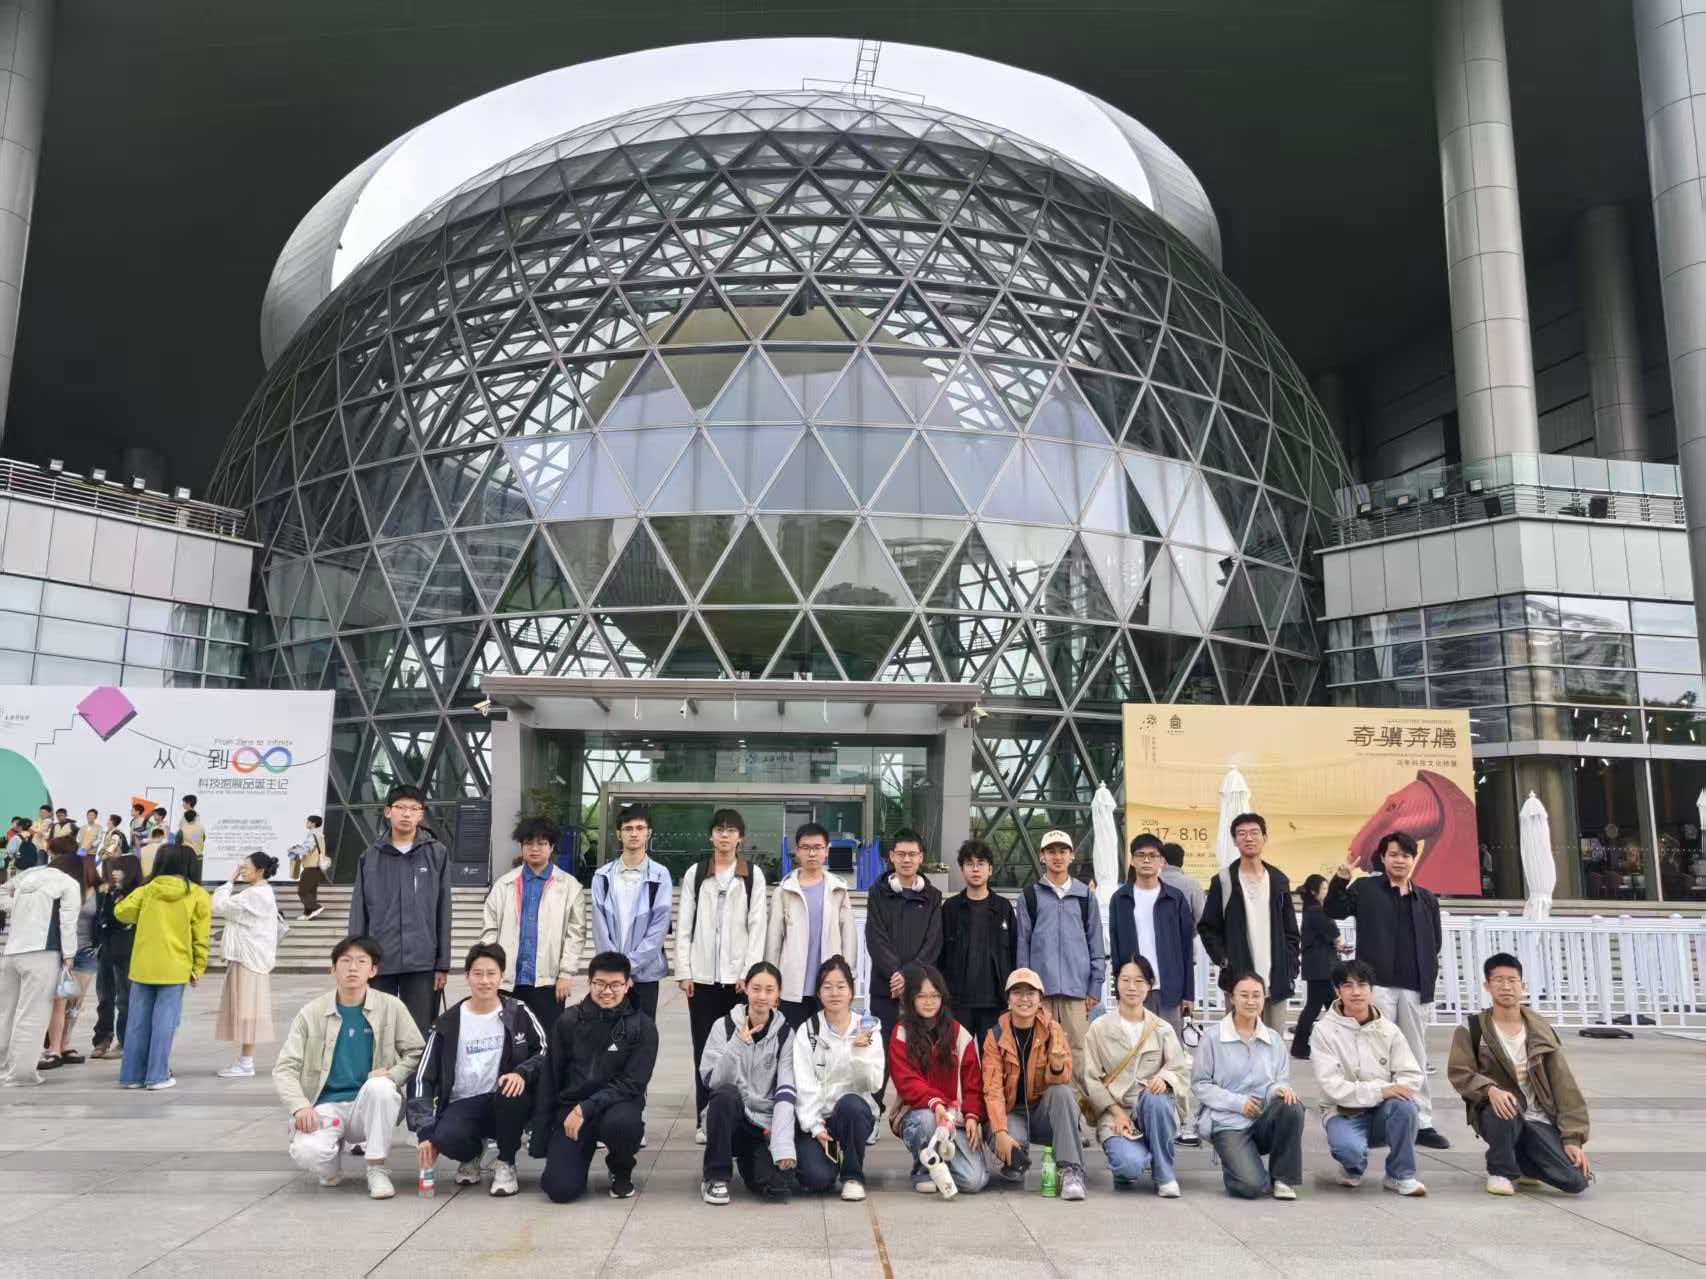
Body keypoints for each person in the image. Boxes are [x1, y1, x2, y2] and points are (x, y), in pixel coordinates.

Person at [274, 935, 425, 1199]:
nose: (353, 968)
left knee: (381, 1087)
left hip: (368, 1105)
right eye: (345, 961)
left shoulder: (391, 1007)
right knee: (307, 1152)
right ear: (333, 969)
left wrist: (393, 1074)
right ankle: (330, 1166)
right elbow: (285, 1067)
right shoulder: (311, 1013)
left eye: (361, 961)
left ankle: (376, 1168)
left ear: (373, 970)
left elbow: (417, 1051)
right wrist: (300, 1106)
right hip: (326, 1106)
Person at [1326, 829, 1449, 1149]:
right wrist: (1341, 879)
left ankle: (1421, 1121)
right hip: (1377, 986)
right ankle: (1373, 1118)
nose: (1400, 861)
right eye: (1393, 854)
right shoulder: (1366, 888)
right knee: (1374, 1054)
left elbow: (1435, 942)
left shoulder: (1426, 898)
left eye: (1406, 855)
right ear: (1382, 858)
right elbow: (1334, 909)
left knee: (1414, 1054)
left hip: (1414, 987)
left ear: (1413, 860)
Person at [408, 942, 545, 1198]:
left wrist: (521, 1073)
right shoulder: (447, 1022)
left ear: (501, 976)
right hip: (463, 1104)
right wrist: (424, 1130)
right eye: (478, 974)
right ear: (467, 976)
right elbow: (421, 1078)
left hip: (504, 1100)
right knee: (444, 1137)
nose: (485, 981)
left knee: (510, 1092)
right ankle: (472, 1154)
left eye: (491, 973)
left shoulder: (518, 1012)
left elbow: (544, 1051)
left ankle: (506, 1162)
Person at [1448, 952, 1592, 1196]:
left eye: (1512, 980)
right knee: (1506, 1106)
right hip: (1495, 1112)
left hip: (1537, 1117)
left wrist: (1573, 1139)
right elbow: (1460, 1072)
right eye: (1498, 980)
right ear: (1487, 986)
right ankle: (1501, 1171)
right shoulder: (1472, 1028)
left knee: (1575, 1180)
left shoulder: (1540, 1030)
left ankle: (1523, 1161)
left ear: (1522, 986)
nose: (1506, 986)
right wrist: (1489, 1090)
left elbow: (1564, 1085)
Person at [531, 949, 658, 1203]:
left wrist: (586, 1108)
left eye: (615, 984)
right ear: (589, 982)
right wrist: (541, 1135)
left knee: (624, 1124)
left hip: (617, 1106)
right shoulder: (568, 1021)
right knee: (560, 1190)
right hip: (572, 1108)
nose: (607, 991)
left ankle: (620, 1169)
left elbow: (632, 1084)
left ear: (628, 984)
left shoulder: (642, 1027)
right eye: (600, 983)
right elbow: (551, 1077)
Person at [677, 808, 768, 1141]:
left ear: (740, 837)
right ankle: (705, 1118)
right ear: (711, 835)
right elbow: (683, 925)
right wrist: (684, 970)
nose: (725, 835)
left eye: (731, 830)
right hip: (702, 979)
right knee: (704, 1049)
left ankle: (742, 1114)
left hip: (737, 981)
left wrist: (749, 973)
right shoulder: (697, 873)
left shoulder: (752, 875)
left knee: (741, 1046)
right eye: (719, 830)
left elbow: (757, 926)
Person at [1309, 959, 1427, 1196]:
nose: (1356, 992)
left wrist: (1392, 1092)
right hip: (1343, 1111)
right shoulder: (1323, 1031)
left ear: (1371, 990)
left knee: (1406, 1107)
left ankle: (1400, 1175)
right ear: (1337, 991)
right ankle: (1352, 1167)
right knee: (1349, 1150)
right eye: (1348, 985)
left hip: (1383, 1111)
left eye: (1362, 985)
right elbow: (1332, 1085)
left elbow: (1411, 1075)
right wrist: (1382, 1090)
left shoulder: (1389, 1029)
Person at [1191, 971, 1305, 1200]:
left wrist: (1278, 1090)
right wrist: (1238, 1103)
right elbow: (1200, 1084)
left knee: (1292, 1106)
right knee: (1251, 1187)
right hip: (1228, 1123)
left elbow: (1279, 1080)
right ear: (1232, 998)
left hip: (1263, 1119)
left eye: (1256, 995)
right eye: (1244, 995)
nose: (1251, 1001)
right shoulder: (1212, 1038)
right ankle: (1237, 1167)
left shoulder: (1274, 1039)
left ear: (1264, 998)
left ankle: (1283, 1178)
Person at [348, 783, 451, 1035]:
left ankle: (417, 1065)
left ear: (421, 814)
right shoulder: (370, 857)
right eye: (400, 807)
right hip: (379, 960)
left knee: (418, 1032)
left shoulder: (436, 853)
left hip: (422, 962)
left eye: (414, 809)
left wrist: (442, 964)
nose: (406, 814)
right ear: (387, 812)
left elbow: (443, 910)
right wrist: (357, 961)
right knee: (376, 1029)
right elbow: (359, 912)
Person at [1085, 956, 1190, 1196]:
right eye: (1125, 980)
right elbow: (1091, 1079)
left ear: (1149, 986)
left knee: (1156, 1099)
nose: (1132, 987)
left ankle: (1164, 1174)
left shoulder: (1162, 1029)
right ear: (1116, 983)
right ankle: (1132, 1158)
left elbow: (1179, 1069)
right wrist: (1117, 1113)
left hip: (1152, 1109)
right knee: (1128, 1166)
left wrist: (1165, 1078)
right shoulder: (1099, 1028)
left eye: (1139, 981)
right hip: (1115, 1113)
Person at [981, 967, 1087, 1201]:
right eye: (1017, 993)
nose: (1024, 999)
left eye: (1030, 993)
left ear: (1040, 999)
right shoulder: (995, 1036)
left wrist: (1056, 1067)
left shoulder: (1052, 1030)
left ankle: (1071, 1170)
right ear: (1008, 1000)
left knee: (1062, 1092)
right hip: (1011, 1113)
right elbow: (992, 1089)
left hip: (1042, 1113)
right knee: (1012, 1157)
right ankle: (1016, 1156)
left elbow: (1063, 1078)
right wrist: (1000, 1132)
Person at [699, 960, 797, 1204]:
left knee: (778, 1188)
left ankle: (748, 1160)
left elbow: (786, 1090)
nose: (762, 996)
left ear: (778, 994)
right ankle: (715, 1176)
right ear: (745, 989)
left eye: (769, 990)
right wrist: (737, 1044)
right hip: (729, 1119)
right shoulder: (723, 1026)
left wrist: (781, 1142)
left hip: (762, 1125)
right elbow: (713, 1082)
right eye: (756, 988)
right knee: (726, 1094)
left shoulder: (785, 1034)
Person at [481, 815, 588, 1037]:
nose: (535, 848)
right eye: (528, 843)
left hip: (548, 983)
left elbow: (575, 934)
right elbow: (490, 930)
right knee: (509, 1040)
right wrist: (491, 970)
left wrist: (566, 974)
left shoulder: (569, 887)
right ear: (521, 846)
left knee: (547, 1041)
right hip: (508, 981)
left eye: (542, 843)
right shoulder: (504, 885)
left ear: (552, 847)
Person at [114, 845, 211, 1090]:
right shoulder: (197, 894)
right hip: (175, 966)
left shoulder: (147, 889)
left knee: (137, 1022)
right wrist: (198, 967)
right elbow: (201, 937)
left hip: (143, 964)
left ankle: (131, 1076)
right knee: (165, 1023)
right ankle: (157, 1075)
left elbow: (122, 912)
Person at [887, 963, 988, 1196]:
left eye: (934, 996)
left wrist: (972, 1115)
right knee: (926, 1120)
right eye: (921, 996)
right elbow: (907, 1081)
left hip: (954, 1118)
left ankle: (940, 1159)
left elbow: (973, 1083)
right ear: (911, 998)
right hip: (920, 1114)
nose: (929, 1002)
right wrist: (936, 1103)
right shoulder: (902, 1032)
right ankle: (923, 1169)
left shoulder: (958, 1033)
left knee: (974, 1181)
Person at [1014, 829, 1104, 1087]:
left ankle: (1075, 1107)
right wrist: (1025, 989)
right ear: (1042, 856)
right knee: (1039, 1049)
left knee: (1078, 1052)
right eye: (1051, 851)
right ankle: (1042, 1104)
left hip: (1078, 991)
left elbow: (1096, 943)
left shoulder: (1085, 896)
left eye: (1063, 851)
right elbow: (1023, 945)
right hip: (1041, 992)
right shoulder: (1030, 896)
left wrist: (1094, 986)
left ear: (1072, 856)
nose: (1057, 856)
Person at [790, 956, 884, 1201]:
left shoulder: (868, 1027)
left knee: (852, 1105)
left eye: (841, 986)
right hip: (819, 1117)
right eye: (827, 986)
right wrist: (816, 1127)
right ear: (818, 993)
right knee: (816, 1179)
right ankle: (833, 1160)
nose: (834, 993)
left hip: (853, 1115)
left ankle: (853, 1176)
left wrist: (858, 1053)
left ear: (851, 991)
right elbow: (804, 1084)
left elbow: (873, 1084)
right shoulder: (808, 1031)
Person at [1198, 813, 1300, 1036]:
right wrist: (1224, 960)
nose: (1248, 838)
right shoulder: (1224, 881)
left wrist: (1290, 967)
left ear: (1265, 838)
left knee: (1272, 1043)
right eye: (1242, 834)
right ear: (1235, 841)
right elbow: (1208, 927)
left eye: (1254, 833)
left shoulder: (1278, 880)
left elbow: (1291, 931)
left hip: (1276, 980)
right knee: (1237, 1043)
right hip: (1238, 980)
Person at [864, 829, 943, 1083]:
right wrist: (896, 975)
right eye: (901, 854)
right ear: (891, 856)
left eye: (912, 854)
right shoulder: (877, 893)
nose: (906, 859)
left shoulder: (933, 896)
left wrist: (909, 976)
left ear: (921, 857)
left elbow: (933, 942)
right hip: (886, 989)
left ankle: (920, 1105)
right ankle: (879, 1106)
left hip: (921, 990)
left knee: (921, 1055)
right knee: (883, 1054)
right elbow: (875, 939)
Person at [0, 847, 79, 1084]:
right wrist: (69, 955)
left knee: (6, 1012)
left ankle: (3, 1064)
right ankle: (21, 1073)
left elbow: (2, 890)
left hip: (12, 952)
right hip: (43, 952)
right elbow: (68, 921)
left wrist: (15, 907)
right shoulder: (68, 883)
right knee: (33, 1014)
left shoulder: (27, 878)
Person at [765, 822, 856, 1028]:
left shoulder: (838, 889)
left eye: (817, 847)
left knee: (827, 1041)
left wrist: (848, 976)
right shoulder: (784, 890)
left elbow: (848, 936)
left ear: (826, 851)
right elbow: (774, 940)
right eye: (806, 848)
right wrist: (771, 982)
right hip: (792, 986)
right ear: (797, 851)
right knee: (792, 1042)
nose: (812, 853)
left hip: (829, 986)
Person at [589, 804, 672, 1022]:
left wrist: (627, 968)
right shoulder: (602, 876)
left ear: (648, 833)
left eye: (640, 828)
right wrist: (616, 971)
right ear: (619, 834)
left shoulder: (660, 875)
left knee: (642, 1034)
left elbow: (658, 929)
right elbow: (599, 928)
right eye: (628, 828)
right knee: (607, 1034)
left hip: (645, 976)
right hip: (609, 976)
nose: (634, 833)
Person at [1109, 833, 1195, 1034]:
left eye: (1153, 855)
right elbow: (1116, 948)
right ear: (1132, 861)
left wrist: (1188, 994)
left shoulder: (1175, 898)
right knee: (1135, 1046)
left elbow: (1186, 949)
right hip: (1134, 989)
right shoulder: (1120, 899)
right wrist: (1119, 991)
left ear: (1162, 861)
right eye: (1140, 855)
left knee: (1170, 1046)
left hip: (1170, 989)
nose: (1146, 860)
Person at [210, 852, 283, 1078]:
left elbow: (218, 906)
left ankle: (246, 1062)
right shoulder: (261, 892)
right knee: (246, 1010)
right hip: (251, 958)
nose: (241, 870)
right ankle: (244, 1061)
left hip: (248, 960)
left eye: (245, 867)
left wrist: (229, 882)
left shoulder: (254, 895)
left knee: (247, 1011)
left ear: (259, 870)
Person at [939, 838, 1017, 1048]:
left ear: (990, 869)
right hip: (958, 1002)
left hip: (995, 1002)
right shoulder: (950, 909)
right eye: (969, 864)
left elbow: (1014, 953)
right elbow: (940, 955)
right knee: (956, 1057)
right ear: (962, 870)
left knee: (994, 1059)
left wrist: (1012, 994)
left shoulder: (1003, 908)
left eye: (981, 863)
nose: (975, 869)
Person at [41, 845, 97, 1069]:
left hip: (86, 952)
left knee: (75, 1003)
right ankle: (53, 1048)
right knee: (59, 1001)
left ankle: (65, 1044)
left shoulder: (96, 891)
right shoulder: (60, 890)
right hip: (63, 951)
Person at [90, 855, 140, 1059]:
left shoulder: (136, 894)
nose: (114, 873)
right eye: (112, 869)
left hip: (126, 951)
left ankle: (124, 1040)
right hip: (106, 949)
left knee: (125, 998)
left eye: (119, 869)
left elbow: (123, 918)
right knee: (104, 997)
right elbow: (100, 918)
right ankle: (102, 1038)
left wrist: (120, 891)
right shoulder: (106, 893)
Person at [1291, 874, 1339, 1060]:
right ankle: (1300, 1046)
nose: (1327, 892)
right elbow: (1333, 931)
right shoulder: (1316, 910)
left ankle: (1331, 1045)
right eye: (1324, 889)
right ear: (1314, 891)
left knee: (1333, 1007)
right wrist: (1338, 942)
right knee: (1318, 1007)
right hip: (1321, 967)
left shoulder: (1311, 909)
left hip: (1319, 966)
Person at [297, 814, 328, 919]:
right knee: (311, 892)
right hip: (317, 868)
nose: (306, 823)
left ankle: (316, 907)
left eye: (308, 821)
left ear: (313, 824)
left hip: (310, 868)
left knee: (302, 891)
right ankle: (308, 914)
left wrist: (294, 850)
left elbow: (306, 849)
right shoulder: (320, 835)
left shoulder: (312, 835)